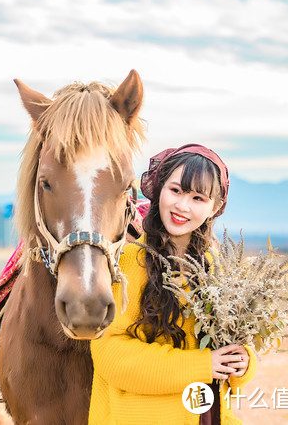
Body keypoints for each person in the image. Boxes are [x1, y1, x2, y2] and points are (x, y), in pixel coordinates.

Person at [89, 144, 257, 425]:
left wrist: (243, 363)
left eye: (198, 198)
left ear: (215, 207)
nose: (182, 206)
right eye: (176, 191)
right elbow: (110, 354)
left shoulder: (217, 267)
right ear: (158, 189)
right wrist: (205, 365)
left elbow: (231, 350)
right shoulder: (131, 261)